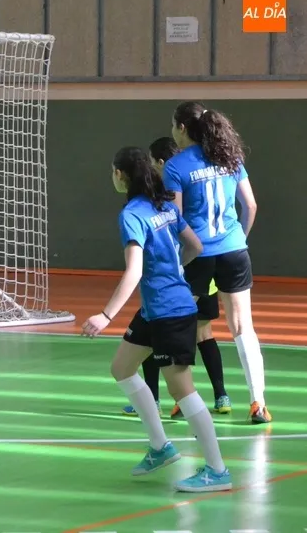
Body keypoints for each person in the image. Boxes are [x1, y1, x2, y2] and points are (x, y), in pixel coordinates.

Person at [82, 146, 231, 493]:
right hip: (156, 309)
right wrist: (173, 269)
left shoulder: (132, 215)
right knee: (122, 368)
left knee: (182, 389)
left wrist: (106, 315)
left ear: (120, 175)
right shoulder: (164, 205)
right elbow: (194, 246)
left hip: (170, 312)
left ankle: (217, 470)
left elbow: (134, 271)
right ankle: (161, 447)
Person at [165, 102, 270, 424]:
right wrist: (239, 239)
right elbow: (250, 205)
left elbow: (175, 219)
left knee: (183, 325)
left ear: (182, 128)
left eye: (172, 125)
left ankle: (184, 400)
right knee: (242, 327)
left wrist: (178, 259)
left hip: (197, 255)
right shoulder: (230, 157)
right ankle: (258, 403)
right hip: (234, 251)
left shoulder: (176, 166)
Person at [122, 136, 230, 418]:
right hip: (208, 261)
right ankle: (221, 395)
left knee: (160, 327)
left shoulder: (166, 190)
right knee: (201, 332)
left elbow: (175, 225)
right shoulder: (200, 171)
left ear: (161, 163)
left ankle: (162, 399)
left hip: (179, 274)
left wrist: (172, 264)